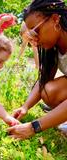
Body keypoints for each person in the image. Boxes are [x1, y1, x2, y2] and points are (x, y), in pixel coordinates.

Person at [8, 0, 67, 139]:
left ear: (55, 19)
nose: (35, 39)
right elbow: (43, 79)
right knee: (48, 91)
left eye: (36, 31)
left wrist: (34, 127)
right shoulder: (54, 45)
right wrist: (25, 106)